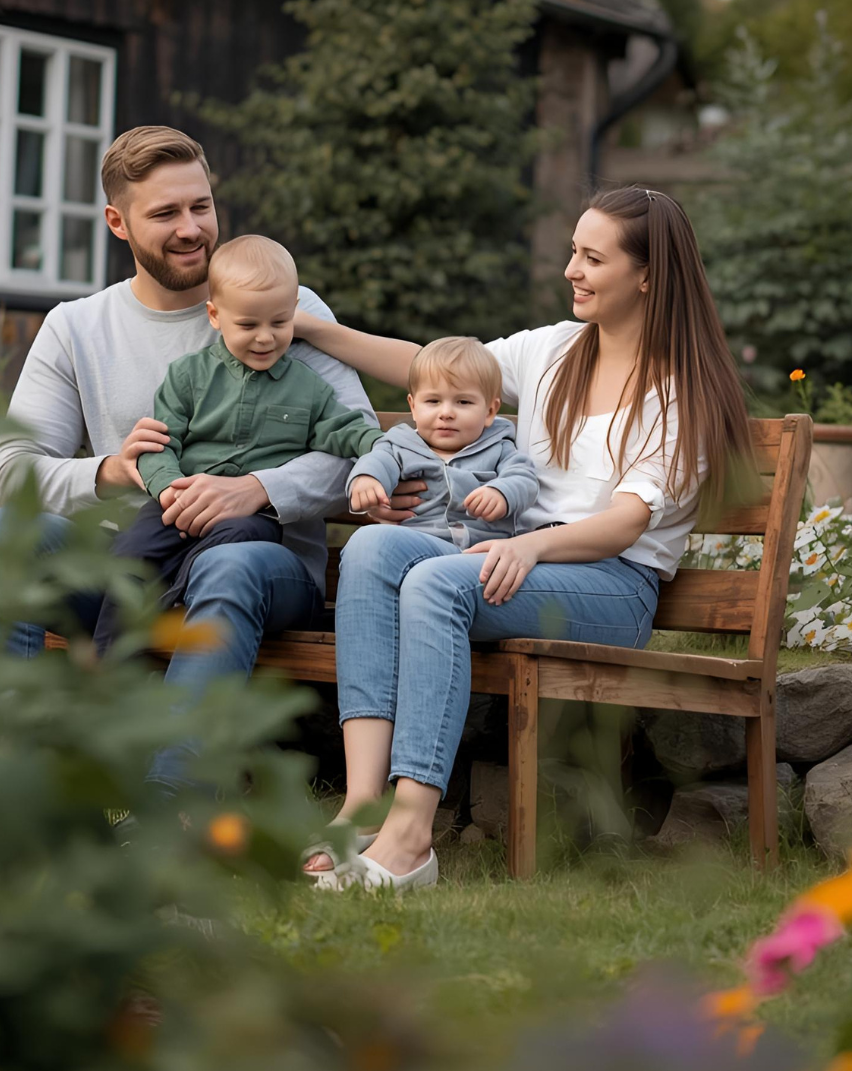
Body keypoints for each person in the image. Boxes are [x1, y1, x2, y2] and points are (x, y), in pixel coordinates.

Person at [298, 186, 753, 891]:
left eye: (592, 257)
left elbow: (629, 521)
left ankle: (412, 838)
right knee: (372, 549)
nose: (571, 268)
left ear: (648, 276)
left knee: (437, 580)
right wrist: (312, 328)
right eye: (573, 250)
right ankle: (364, 808)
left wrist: (531, 545)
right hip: (517, 561)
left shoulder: (683, 391)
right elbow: (435, 368)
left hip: (611, 582)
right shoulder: (555, 349)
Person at [0, 126, 377, 793]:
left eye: (201, 207)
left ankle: (165, 808)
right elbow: (11, 473)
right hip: (125, 568)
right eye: (166, 214)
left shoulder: (278, 308)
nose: (191, 230)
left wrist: (257, 489)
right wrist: (109, 472)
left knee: (229, 562)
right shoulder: (76, 327)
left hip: (262, 565)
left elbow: (358, 446)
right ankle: (4, 780)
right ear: (117, 223)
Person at [92, 234, 384, 654]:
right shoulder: (188, 376)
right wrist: (171, 490)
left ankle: (171, 598)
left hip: (248, 520)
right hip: (177, 506)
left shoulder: (307, 388)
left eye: (279, 323)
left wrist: (381, 446)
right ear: (215, 315)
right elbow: (159, 444)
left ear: (293, 315)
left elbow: (344, 430)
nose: (265, 338)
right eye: (248, 325)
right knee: (132, 553)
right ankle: (105, 671)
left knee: (246, 533)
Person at [347, 336, 538, 546]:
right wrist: (367, 478)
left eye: (463, 402)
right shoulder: (399, 446)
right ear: (413, 407)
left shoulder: (499, 447)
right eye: (433, 401)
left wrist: (502, 492)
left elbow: (524, 477)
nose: (446, 413)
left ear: (490, 411)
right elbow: (378, 461)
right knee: (365, 543)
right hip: (416, 541)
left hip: (479, 550)